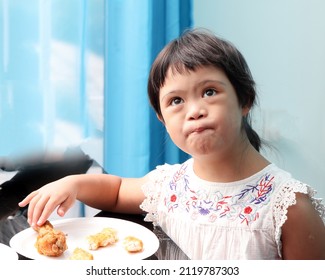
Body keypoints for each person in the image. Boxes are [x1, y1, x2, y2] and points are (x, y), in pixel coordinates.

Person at [19, 28, 325, 260]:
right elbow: (114, 192)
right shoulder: (170, 187)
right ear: (163, 119)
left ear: (244, 99)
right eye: (176, 100)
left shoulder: (288, 206)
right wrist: (72, 183)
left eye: (209, 92)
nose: (194, 110)